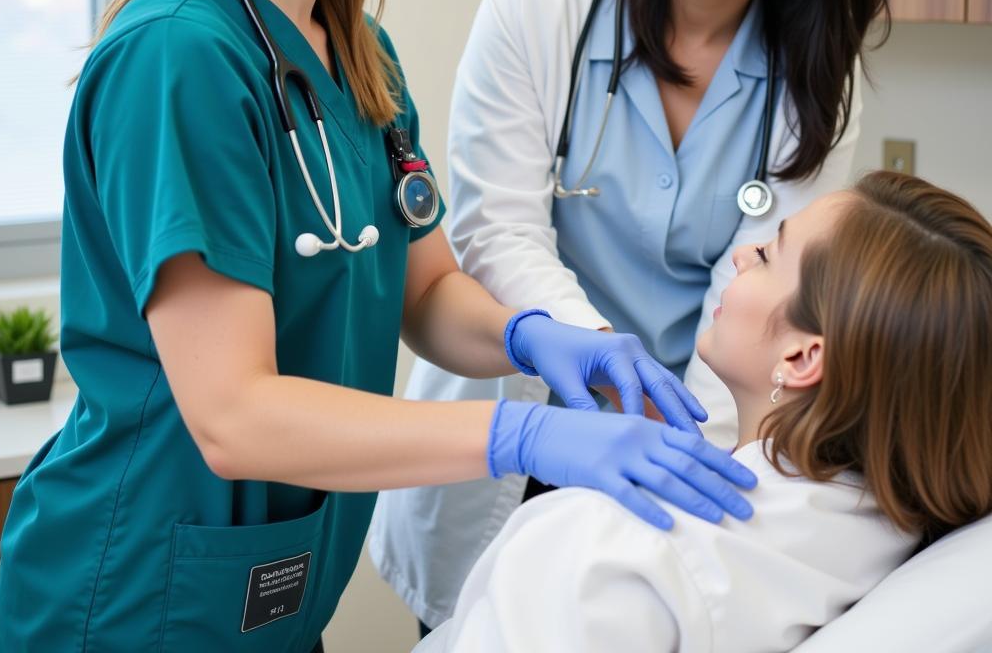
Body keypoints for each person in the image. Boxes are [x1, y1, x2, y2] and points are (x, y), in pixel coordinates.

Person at [0, 0, 762, 652]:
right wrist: (518, 434)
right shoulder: (180, 56)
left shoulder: (357, 51)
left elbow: (424, 285)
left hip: (272, 591)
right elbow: (233, 414)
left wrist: (534, 339)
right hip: (135, 588)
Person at [371, 0, 892, 634]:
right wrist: (604, 358)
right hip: (523, 403)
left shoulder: (815, 85)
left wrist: (673, 433)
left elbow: (774, 292)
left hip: (688, 427)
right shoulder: (541, 4)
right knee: (488, 621)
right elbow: (496, 230)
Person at [415, 171, 992, 652]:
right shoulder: (893, 528)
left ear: (802, 355)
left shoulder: (607, 543)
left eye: (767, 254)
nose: (741, 253)